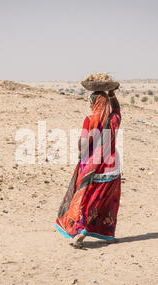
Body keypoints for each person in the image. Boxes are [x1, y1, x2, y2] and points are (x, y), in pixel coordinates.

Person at [56, 88, 122, 248]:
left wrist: (80, 145)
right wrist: (112, 94)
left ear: (94, 104)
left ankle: (81, 233)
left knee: (88, 201)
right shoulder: (114, 119)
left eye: (90, 102)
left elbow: (84, 144)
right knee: (108, 201)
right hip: (112, 167)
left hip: (94, 168)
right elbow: (118, 109)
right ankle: (107, 234)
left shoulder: (89, 120)